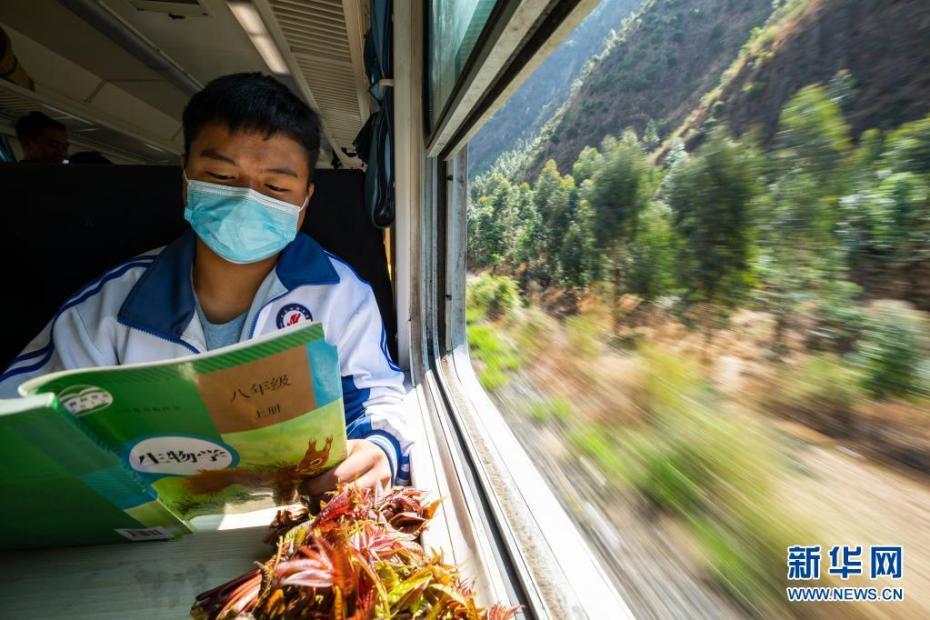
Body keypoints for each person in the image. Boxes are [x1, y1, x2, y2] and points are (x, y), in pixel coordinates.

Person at [0, 73, 411, 493]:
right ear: (186, 180)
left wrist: (381, 447)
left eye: (275, 186)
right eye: (221, 177)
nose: (248, 199)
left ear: (304, 201)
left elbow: (378, 394)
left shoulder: (339, 294)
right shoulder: (111, 306)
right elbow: (21, 417)